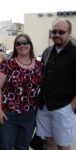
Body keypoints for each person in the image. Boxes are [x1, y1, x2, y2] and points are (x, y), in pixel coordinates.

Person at [0, 33, 42, 150]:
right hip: (8, 114)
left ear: (30, 45)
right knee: (5, 147)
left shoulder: (39, 66)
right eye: (18, 43)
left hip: (29, 115)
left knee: (22, 147)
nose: (22, 45)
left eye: (25, 42)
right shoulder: (7, 64)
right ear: (15, 47)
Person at [36, 18, 76, 150]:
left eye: (61, 32)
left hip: (63, 107)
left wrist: (72, 105)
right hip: (44, 106)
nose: (57, 34)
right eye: (54, 31)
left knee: (63, 145)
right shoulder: (48, 51)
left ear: (69, 33)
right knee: (49, 141)